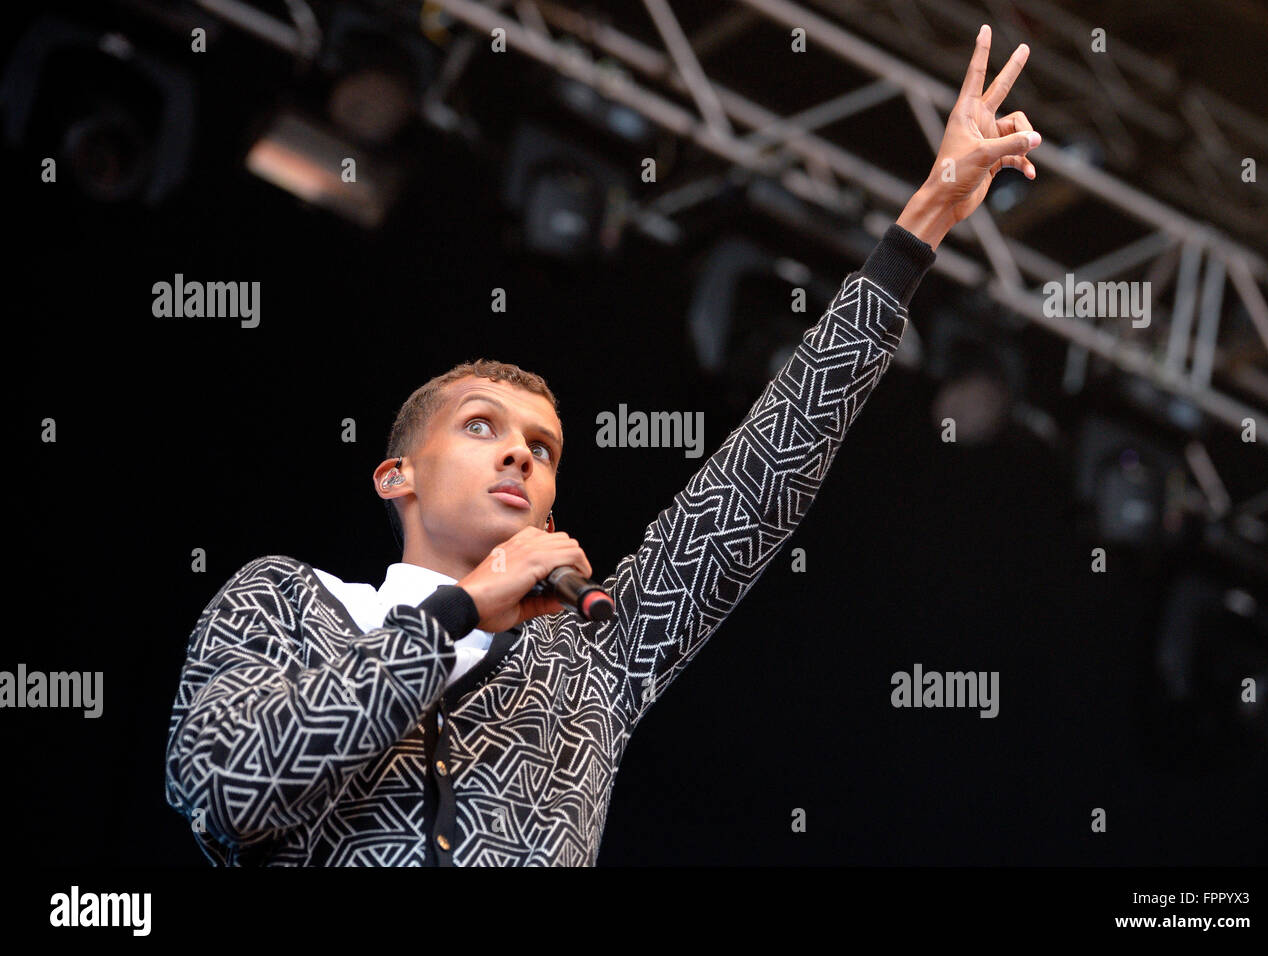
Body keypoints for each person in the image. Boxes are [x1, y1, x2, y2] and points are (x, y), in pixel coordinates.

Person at [164, 25, 1039, 865]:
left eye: (543, 451)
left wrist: (921, 224)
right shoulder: (286, 604)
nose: (518, 456)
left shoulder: (596, 657)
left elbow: (757, 484)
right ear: (397, 477)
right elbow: (225, 793)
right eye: (482, 428)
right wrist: (455, 614)